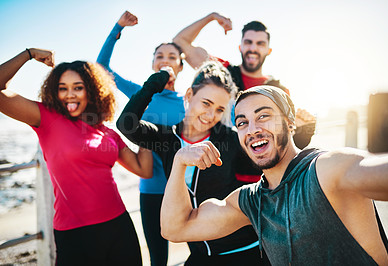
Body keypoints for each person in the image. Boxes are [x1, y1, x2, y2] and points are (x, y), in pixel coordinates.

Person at [160, 85, 388, 265]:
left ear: (290, 122)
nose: (253, 129)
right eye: (242, 122)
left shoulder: (326, 168)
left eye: (264, 116)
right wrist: (179, 161)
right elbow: (175, 229)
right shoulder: (250, 201)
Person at [0, 48, 154, 265]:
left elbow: (143, 169)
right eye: (62, 88)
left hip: (119, 225)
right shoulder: (45, 118)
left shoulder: (107, 132)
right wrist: (28, 54)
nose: (69, 94)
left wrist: (146, 120)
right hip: (74, 233)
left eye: (78, 88)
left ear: (92, 90)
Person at [117, 61, 269, 266]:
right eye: (206, 103)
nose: (210, 115)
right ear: (189, 96)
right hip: (201, 252)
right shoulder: (167, 139)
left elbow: (268, 163)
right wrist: (157, 81)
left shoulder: (230, 140)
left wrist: (301, 135)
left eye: (219, 109)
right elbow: (126, 124)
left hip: (246, 250)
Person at [97, 11, 185, 266]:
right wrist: (117, 28)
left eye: (172, 56)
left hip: (184, 190)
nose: (165, 60)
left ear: (180, 66)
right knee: (158, 257)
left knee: (199, 249)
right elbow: (101, 68)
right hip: (151, 191)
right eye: (160, 56)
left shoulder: (189, 101)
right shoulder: (141, 92)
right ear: (153, 64)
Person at [173, 12, 316, 154]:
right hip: (222, 167)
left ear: (269, 50)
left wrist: (303, 131)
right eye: (248, 42)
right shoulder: (223, 75)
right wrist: (211, 17)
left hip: (260, 171)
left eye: (260, 44)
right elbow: (180, 41)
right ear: (240, 47)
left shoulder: (278, 90)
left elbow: (287, 143)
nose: (253, 48)